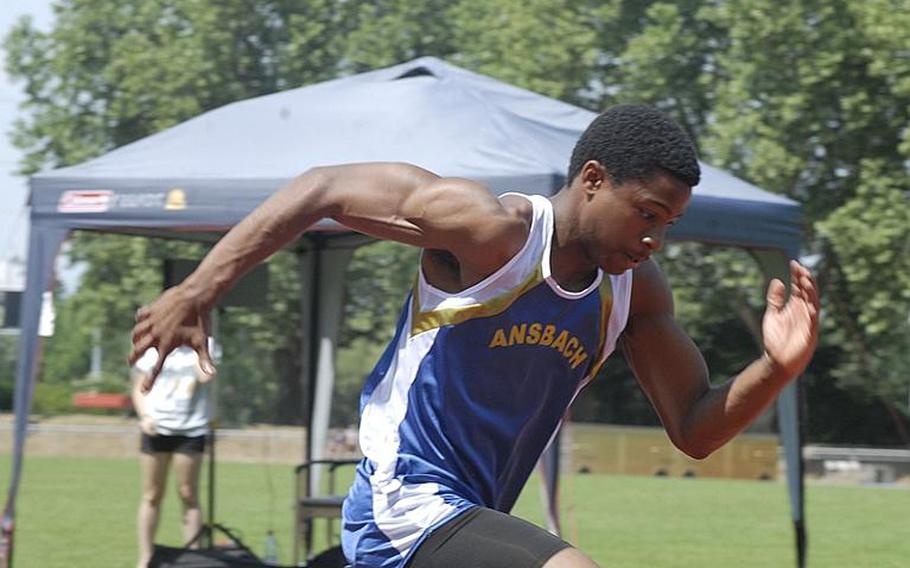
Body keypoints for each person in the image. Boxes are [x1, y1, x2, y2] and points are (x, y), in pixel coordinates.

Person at [129, 104, 819, 568]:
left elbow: (695, 427)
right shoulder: (492, 233)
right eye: (646, 213)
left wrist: (776, 368)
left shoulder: (635, 293)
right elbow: (324, 188)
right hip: (403, 502)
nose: (654, 237)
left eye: (668, 223)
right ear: (592, 180)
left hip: (468, 520)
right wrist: (196, 291)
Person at [131, 345, 213, 568]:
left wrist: (198, 346)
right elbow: (139, 388)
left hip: (190, 429)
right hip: (156, 428)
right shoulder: (151, 350)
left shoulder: (206, 346)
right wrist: (145, 416)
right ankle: (146, 557)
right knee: (152, 494)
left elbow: (205, 377)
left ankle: (194, 558)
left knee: (188, 493)